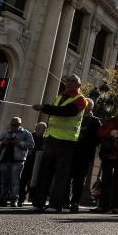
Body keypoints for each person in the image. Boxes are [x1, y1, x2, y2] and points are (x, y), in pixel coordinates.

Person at [31, 75, 87, 212]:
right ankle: (39, 202)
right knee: (45, 171)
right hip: (51, 138)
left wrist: (44, 108)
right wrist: (45, 108)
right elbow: (56, 112)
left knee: (61, 175)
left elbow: (68, 112)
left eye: (73, 81)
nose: (69, 82)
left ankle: (55, 205)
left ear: (79, 85)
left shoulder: (81, 100)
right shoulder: (59, 96)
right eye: (68, 80)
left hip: (67, 141)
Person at [68, 98, 100, 213]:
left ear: (90, 108)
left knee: (79, 179)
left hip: (84, 154)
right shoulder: (75, 117)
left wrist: (86, 142)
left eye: (86, 106)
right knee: (67, 177)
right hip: (71, 152)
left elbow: (97, 139)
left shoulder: (95, 121)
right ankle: (64, 200)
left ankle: (75, 202)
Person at [0, 117, 35, 208]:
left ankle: (14, 200)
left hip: (18, 160)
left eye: (15, 125)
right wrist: (3, 143)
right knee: (4, 181)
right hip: (5, 159)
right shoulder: (6, 133)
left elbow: (31, 144)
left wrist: (19, 143)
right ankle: (3, 199)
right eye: (12, 125)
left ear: (20, 125)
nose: (13, 127)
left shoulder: (26, 133)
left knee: (15, 181)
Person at [19, 122, 45, 206]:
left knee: (34, 183)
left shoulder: (45, 139)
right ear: (36, 128)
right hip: (28, 161)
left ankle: (34, 200)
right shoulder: (30, 136)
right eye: (42, 128)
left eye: (44, 129)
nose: (44, 130)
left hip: (37, 163)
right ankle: (20, 199)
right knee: (23, 180)